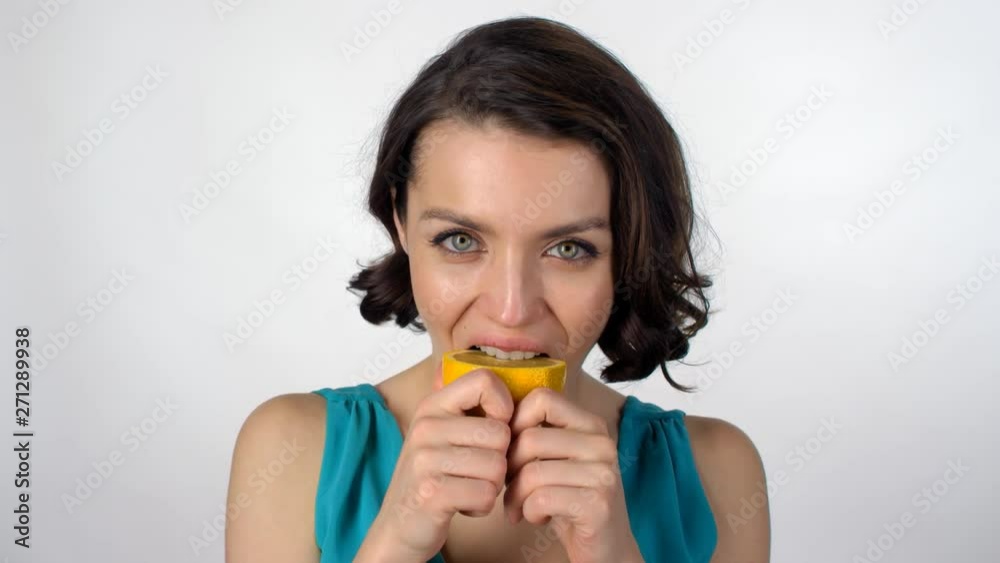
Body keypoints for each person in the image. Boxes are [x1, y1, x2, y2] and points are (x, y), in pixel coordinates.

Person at [225, 16, 770, 563]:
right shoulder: (291, 449)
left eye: (568, 249)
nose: (511, 310)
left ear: (628, 252)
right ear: (400, 223)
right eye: (461, 240)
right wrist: (395, 542)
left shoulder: (716, 470)